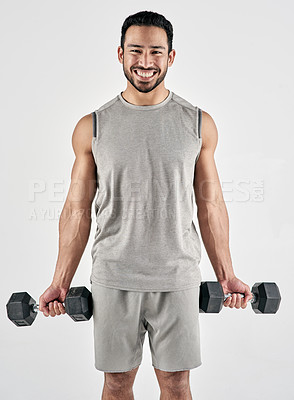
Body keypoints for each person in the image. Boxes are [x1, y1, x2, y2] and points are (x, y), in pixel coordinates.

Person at [39, 10, 253, 400]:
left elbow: (211, 205)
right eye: (136, 50)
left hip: (178, 277)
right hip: (113, 276)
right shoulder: (93, 126)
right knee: (117, 384)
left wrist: (227, 275)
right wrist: (60, 281)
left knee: (176, 384)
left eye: (156, 52)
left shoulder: (198, 123)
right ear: (120, 54)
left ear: (171, 57)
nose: (145, 62)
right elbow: (75, 210)